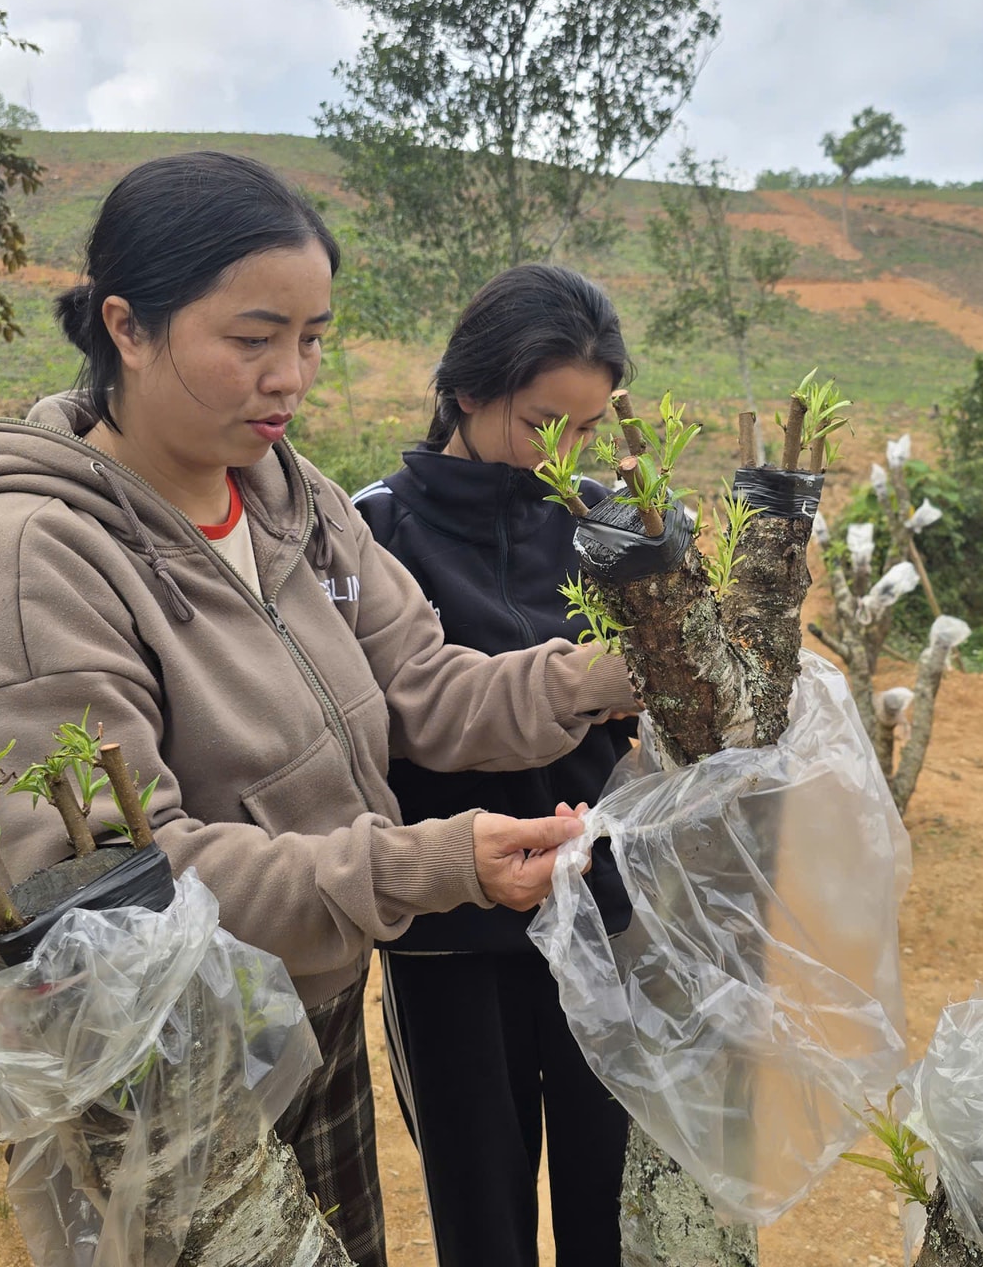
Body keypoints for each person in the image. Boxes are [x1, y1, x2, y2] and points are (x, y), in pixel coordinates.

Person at [0, 152, 636, 1267]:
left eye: (310, 339)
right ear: (128, 327)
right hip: (170, 1079)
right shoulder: (28, 561)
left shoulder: (294, 501)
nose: (289, 376)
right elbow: (102, 902)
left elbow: (429, 689)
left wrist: (622, 666)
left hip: (313, 1014)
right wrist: (426, 865)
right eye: (252, 341)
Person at [352, 264, 635, 1267]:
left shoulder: (606, 529)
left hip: (598, 914)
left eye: (587, 431)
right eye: (541, 422)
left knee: (614, 1202)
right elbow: (396, 722)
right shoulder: (373, 532)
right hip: (450, 936)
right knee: (484, 1216)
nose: (564, 456)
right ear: (467, 391)